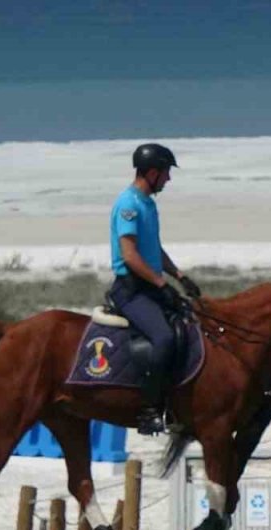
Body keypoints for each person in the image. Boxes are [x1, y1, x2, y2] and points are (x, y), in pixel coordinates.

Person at [107, 143, 202, 435]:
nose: (168, 180)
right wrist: (162, 285)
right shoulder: (128, 205)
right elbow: (130, 255)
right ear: (151, 172)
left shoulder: (148, 204)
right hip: (131, 291)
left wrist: (179, 276)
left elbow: (153, 249)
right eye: (165, 173)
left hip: (151, 287)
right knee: (162, 337)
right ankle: (148, 410)